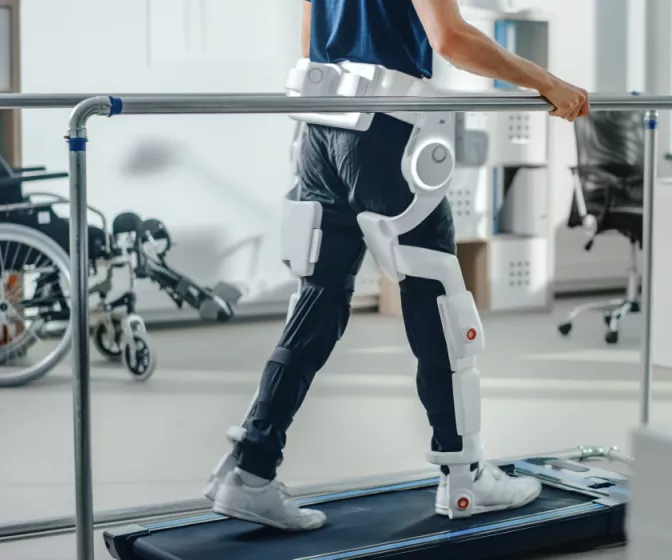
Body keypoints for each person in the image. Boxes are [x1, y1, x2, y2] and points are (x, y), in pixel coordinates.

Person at [210, 0, 590, 531]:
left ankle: (250, 470)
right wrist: (544, 80)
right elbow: (450, 39)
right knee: (438, 297)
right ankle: (466, 478)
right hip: (385, 133)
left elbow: (308, 38)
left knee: (318, 300)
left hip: (322, 129)